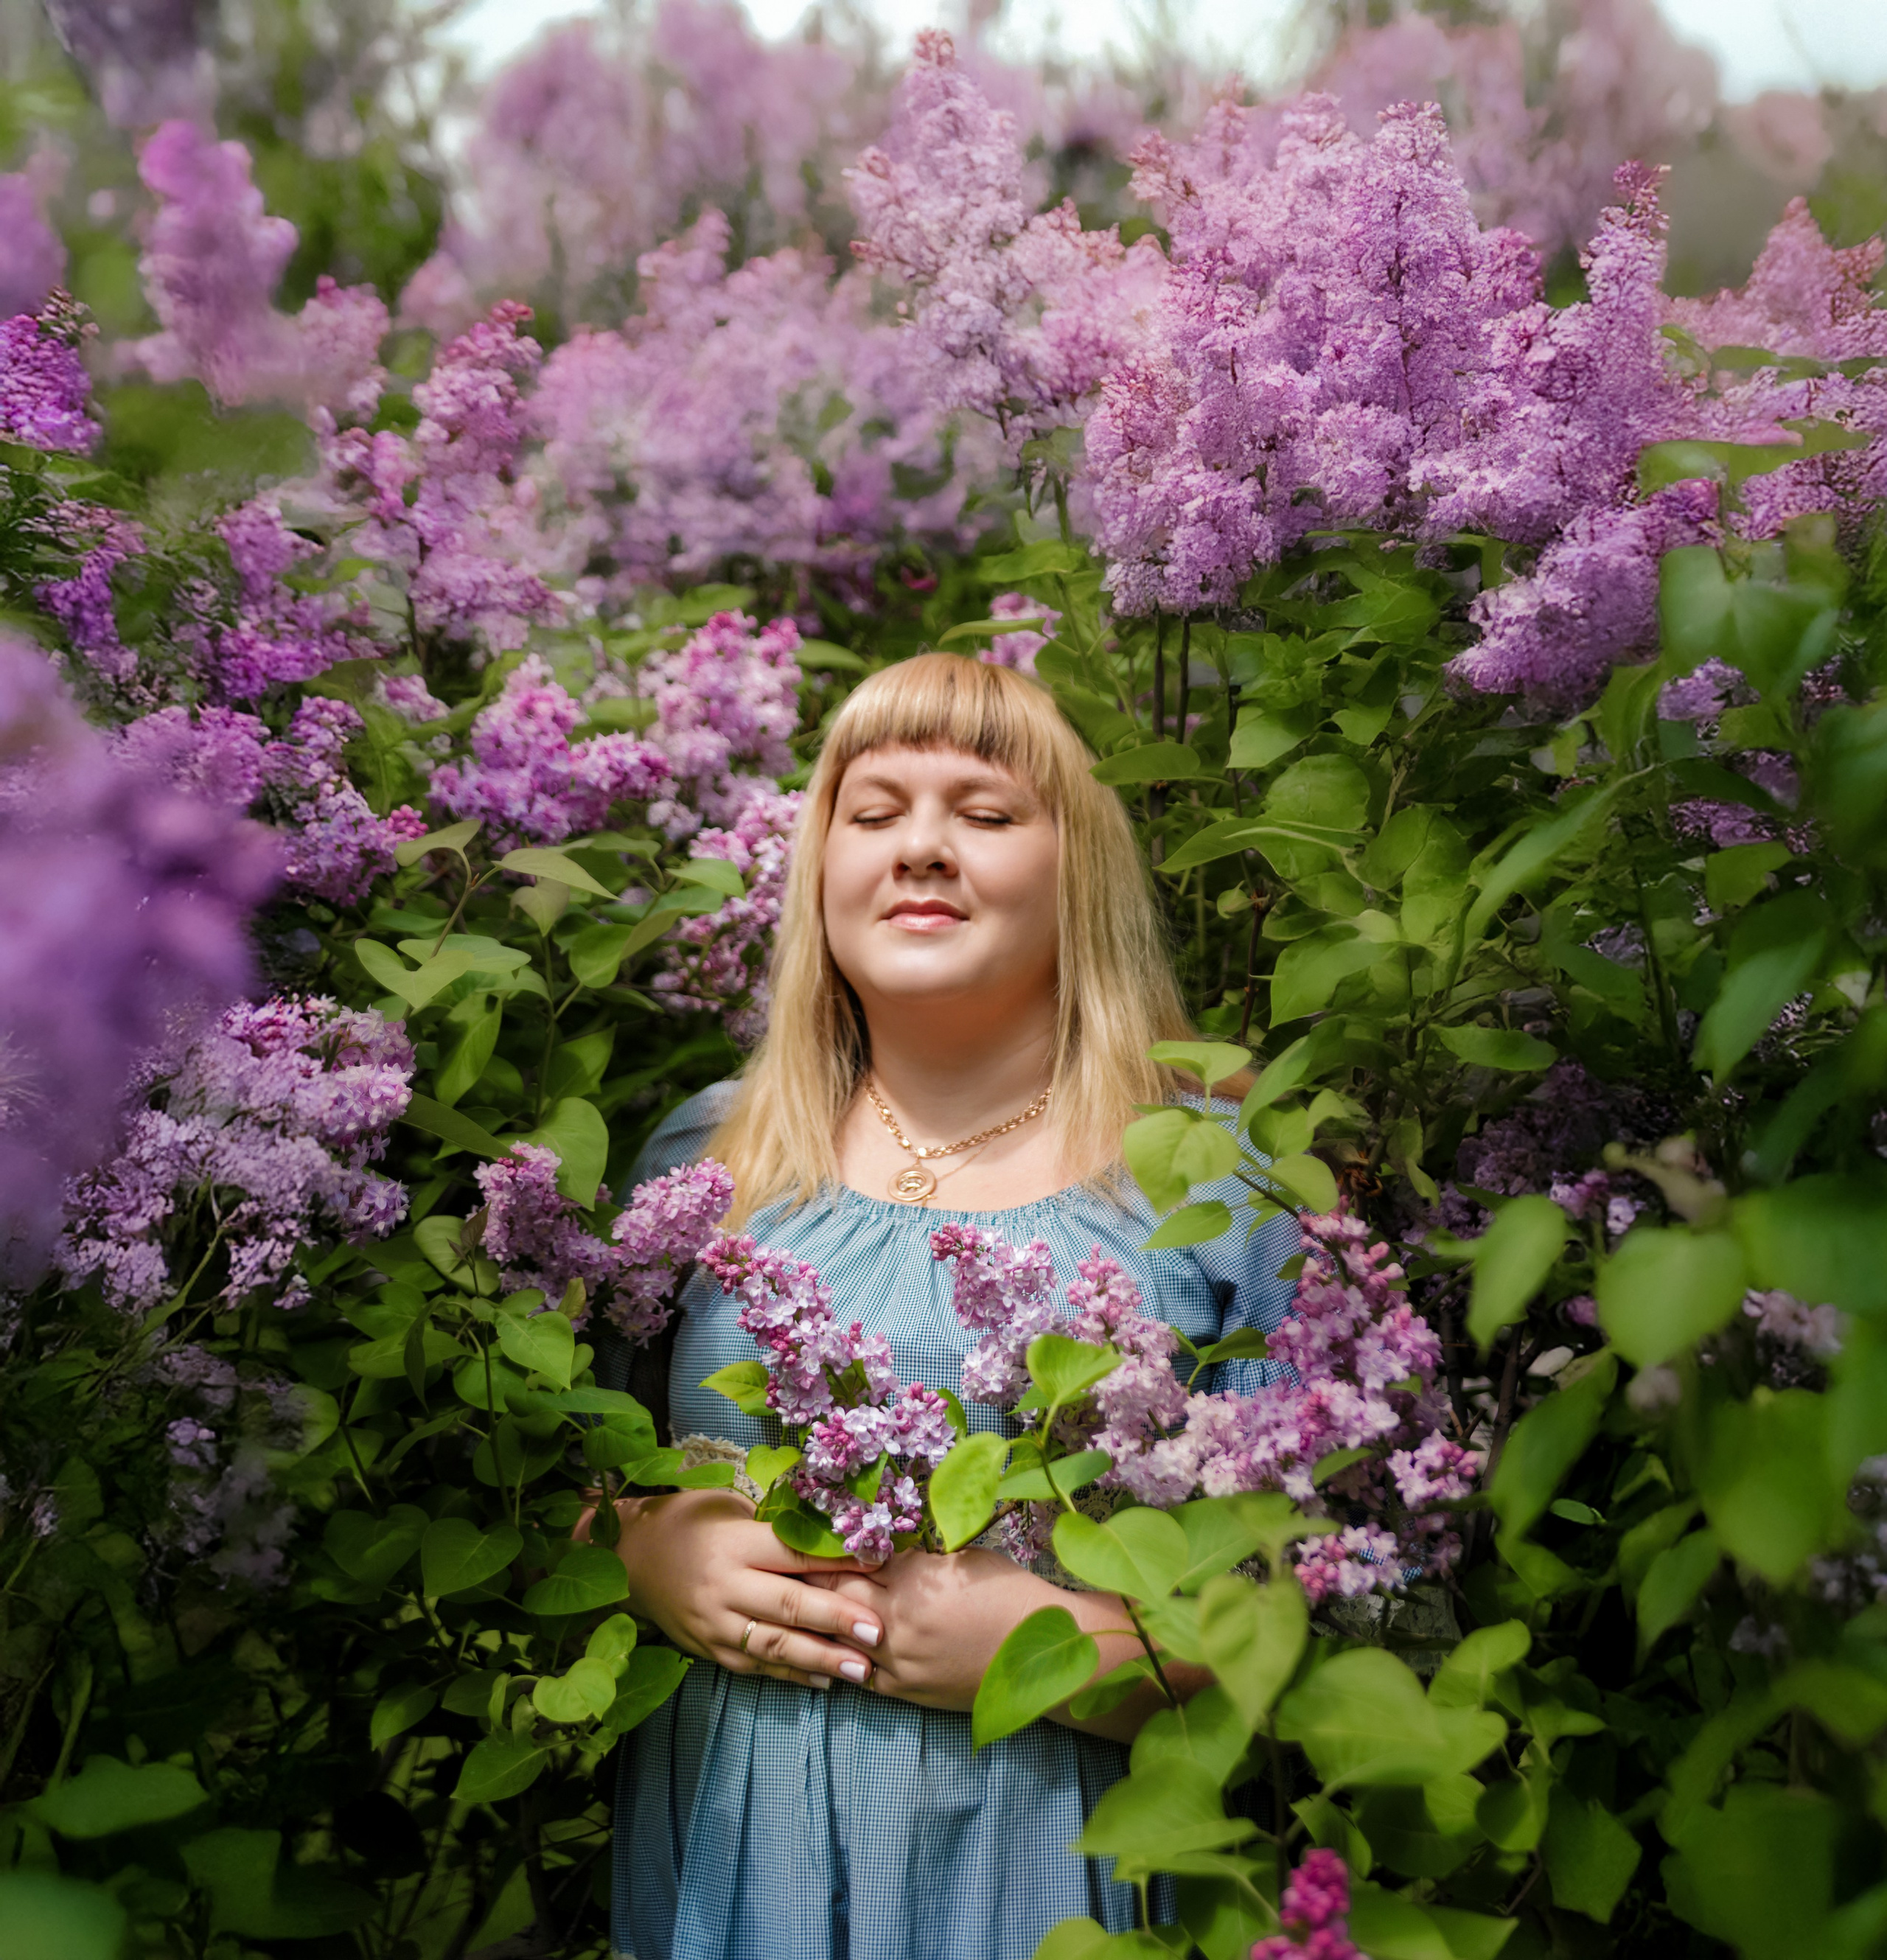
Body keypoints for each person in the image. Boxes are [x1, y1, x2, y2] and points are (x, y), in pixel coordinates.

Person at [593, 653, 1298, 1960]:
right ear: (821, 873)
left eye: (984, 812)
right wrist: (644, 1553)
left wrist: (1070, 1654)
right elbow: (565, 1486)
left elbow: (1303, 1602)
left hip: (1052, 1869)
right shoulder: (705, 1164)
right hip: (735, 1873)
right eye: (873, 814)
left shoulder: (1210, 1188)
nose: (921, 847)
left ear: (1075, 872)